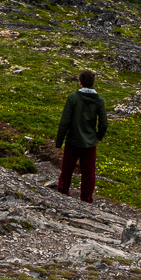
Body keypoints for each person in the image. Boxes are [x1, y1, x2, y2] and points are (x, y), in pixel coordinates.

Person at [54, 70, 108, 203]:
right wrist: (98, 136)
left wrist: (59, 142)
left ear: (80, 82)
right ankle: (86, 198)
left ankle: (62, 193)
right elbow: (104, 124)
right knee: (88, 174)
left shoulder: (73, 98)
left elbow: (65, 121)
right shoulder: (99, 100)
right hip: (90, 143)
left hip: (73, 141)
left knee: (67, 170)